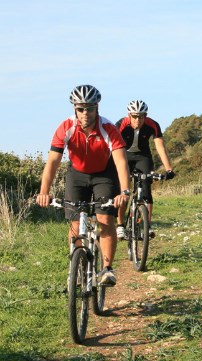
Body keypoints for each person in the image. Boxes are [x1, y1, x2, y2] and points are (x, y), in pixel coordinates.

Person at [36, 85, 130, 286]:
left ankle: (106, 269)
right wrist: (44, 191)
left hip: (105, 174)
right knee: (76, 223)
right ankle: (76, 268)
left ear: (97, 108)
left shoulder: (108, 128)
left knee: (105, 218)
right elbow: (53, 161)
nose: (85, 113)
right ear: (74, 109)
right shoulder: (66, 128)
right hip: (77, 175)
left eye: (90, 108)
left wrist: (124, 191)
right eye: (81, 108)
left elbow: (121, 161)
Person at [115, 100, 174, 239]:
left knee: (146, 188)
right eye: (135, 116)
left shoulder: (152, 124)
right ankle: (120, 225)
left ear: (145, 115)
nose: (138, 119)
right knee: (124, 191)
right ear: (129, 115)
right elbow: (113, 145)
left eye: (141, 116)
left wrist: (168, 169)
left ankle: (147, 224)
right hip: (125, 155)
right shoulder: (121, 124)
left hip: (143, 156)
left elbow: (160, 146)